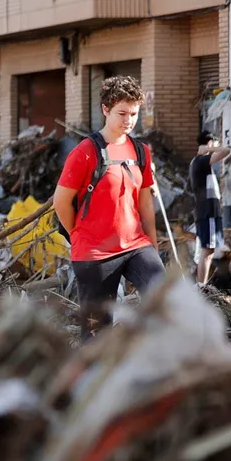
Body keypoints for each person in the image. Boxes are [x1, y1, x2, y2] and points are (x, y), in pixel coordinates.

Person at [53, 76, 163, 327]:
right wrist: (79, 234)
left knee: (165, 301)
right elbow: (61, 202)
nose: (129, 121)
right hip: (94, 253)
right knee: (96, 330)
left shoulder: (141, 151)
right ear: (105, 109)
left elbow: (145, 205)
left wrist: (152, 247)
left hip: (135, 246)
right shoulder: (85, 152)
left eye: (134, 114)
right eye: (122, 113)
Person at [190, 129, 231, 286]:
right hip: (208, 212)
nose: (217, 147)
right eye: (214, 143)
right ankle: (201, 286)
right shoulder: (200, 161)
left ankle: (201, 285)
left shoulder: (198, 163)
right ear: (209, 143)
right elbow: (227, 151)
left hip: (206, 212)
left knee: (207, 250)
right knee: (208, 250)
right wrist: (209, 149)